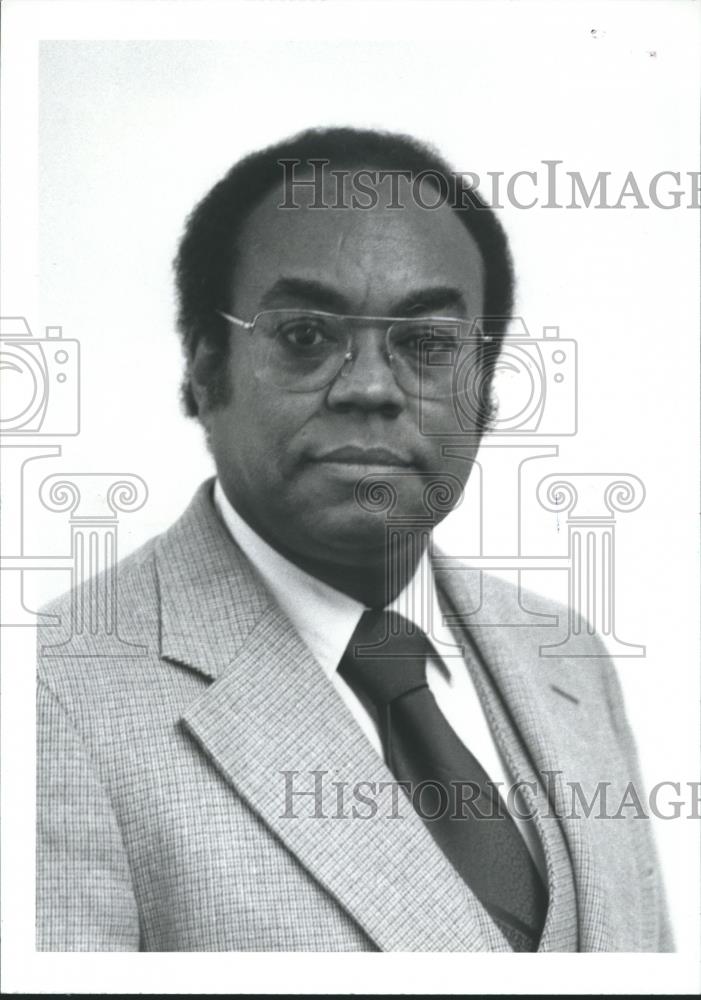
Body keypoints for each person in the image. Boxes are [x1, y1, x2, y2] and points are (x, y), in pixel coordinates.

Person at [36, 126, 672, 952]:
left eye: (427, 344)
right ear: (203, 363)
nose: (370, 386)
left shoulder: (564, 653)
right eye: (304, 336)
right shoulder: (51, 701)